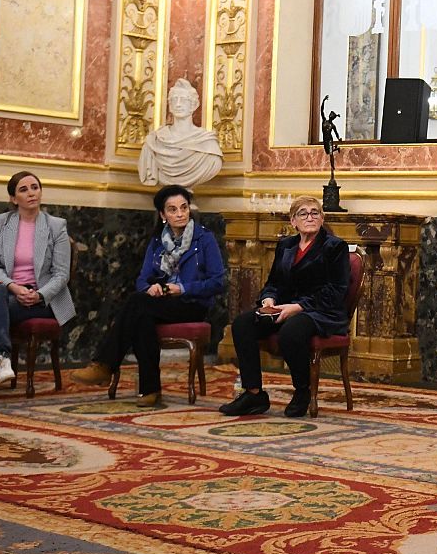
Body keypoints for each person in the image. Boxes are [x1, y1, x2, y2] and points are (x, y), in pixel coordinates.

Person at [68, 185, 225, 407]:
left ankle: (105, 364)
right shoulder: (158, 241)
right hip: (160, 302)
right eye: (172, 210)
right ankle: (149, 391)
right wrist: (150, 288)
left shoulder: (204, 239)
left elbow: (217, 282)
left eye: (184, 208)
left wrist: (184, 288)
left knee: (137, 304)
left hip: (191, 304)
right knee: (143, 316)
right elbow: (142, 279)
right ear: (163, 215)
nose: (180, 214)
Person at [219, 196, 350, 418]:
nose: (310, 217)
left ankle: (302, 391)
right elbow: (274, 283)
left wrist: (297, 307)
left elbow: (336, 291)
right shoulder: (286, 245)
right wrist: (268, 300)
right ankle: (254, 394)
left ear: (322, 217)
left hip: (321, 311)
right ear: (293, 221)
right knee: (242, 324)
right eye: (303, 213)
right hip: (284, 309)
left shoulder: (335, 247)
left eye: (315, 213)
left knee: (291, 331)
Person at [0, 171, 76, 403]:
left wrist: (38, 294)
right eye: (24, 189)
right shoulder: (0, 223)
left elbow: (61, 274)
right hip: (5, 291)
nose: (31, 193)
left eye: (35, 187)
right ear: (13, 198)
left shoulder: (56, 226)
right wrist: (13, 287)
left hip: (41, 299)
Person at [137, 79, 224, 188]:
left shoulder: (208, 143)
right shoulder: (154, 141)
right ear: (169, 104)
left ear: (194, 105)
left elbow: (214, 163)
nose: (178, 104)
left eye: (183, 100)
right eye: (174, 100)